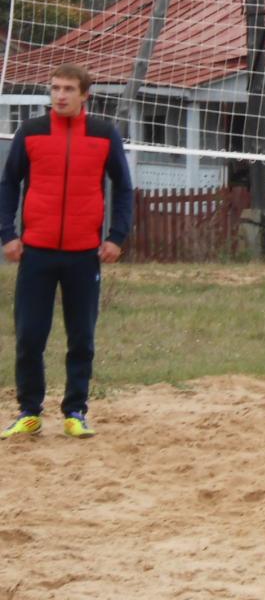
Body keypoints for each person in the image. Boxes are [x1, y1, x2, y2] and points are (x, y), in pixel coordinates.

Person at [0, 64, 133, 441]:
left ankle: (75, 411)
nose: (60, 95)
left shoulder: (105, 135)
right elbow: (8, 184)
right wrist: (7, 234)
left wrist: (117, 237)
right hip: (36, 253)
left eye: (69, 89)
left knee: (81, 338)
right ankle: (29, 411)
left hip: (83, 254)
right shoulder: (31, 132)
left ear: (84, 94)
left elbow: (123, 188)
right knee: (29, 336)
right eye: (55, 88)